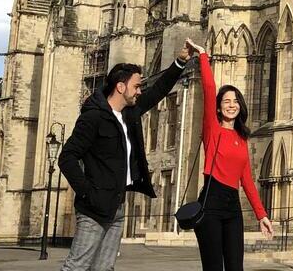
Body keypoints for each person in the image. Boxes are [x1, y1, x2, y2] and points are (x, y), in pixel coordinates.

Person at [57, 45, 192, 271]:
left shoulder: (130, 113)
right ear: (120, 87)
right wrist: (87, 192)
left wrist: (180, 61)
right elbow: (67, 157)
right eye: (136, 86)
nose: (139, 91)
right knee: (76, 267)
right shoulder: (93, 117)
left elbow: (158, 91)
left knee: (104, 268)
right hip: (93, 209)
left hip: (117, 207)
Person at [185, 38, 273, 271]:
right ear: (218, 107)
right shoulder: (212, 129)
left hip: (233, 207)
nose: (231, 105)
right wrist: (203, 55)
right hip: (211, 204)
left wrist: (261, 215)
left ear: (240, 105)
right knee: (213, 267)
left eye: (235, 101)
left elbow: (247, 181)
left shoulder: (242, 138)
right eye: (226, 101)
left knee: (236, 267)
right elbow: (209, 89)